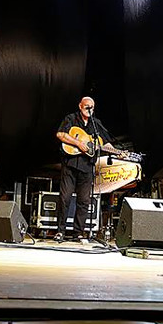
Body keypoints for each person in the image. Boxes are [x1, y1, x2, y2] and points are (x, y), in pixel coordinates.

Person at [55, 96, 113, 243]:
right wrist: (78, 143)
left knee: (84, 201)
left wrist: (118, 152)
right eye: (86, 106)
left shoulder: (96, 124)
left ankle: (78, 233)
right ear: (80, 106)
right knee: (65, 197)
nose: (89, 109)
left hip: (87, 167)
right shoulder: (71, 118)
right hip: (70, 163)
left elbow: (106, 143)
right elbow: (60, 134)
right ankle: (60, 231)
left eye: (91, 107)